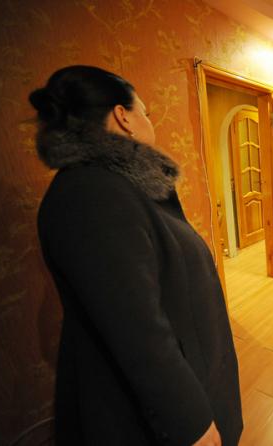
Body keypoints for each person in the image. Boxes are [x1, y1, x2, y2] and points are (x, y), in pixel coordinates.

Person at [31, 65, 242, 445]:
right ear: (123, 116)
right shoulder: (90, 195)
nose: (149, 121)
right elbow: (137, 330)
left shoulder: (119, 186)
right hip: (145, 415)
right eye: (145, 111)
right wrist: (191, 421)